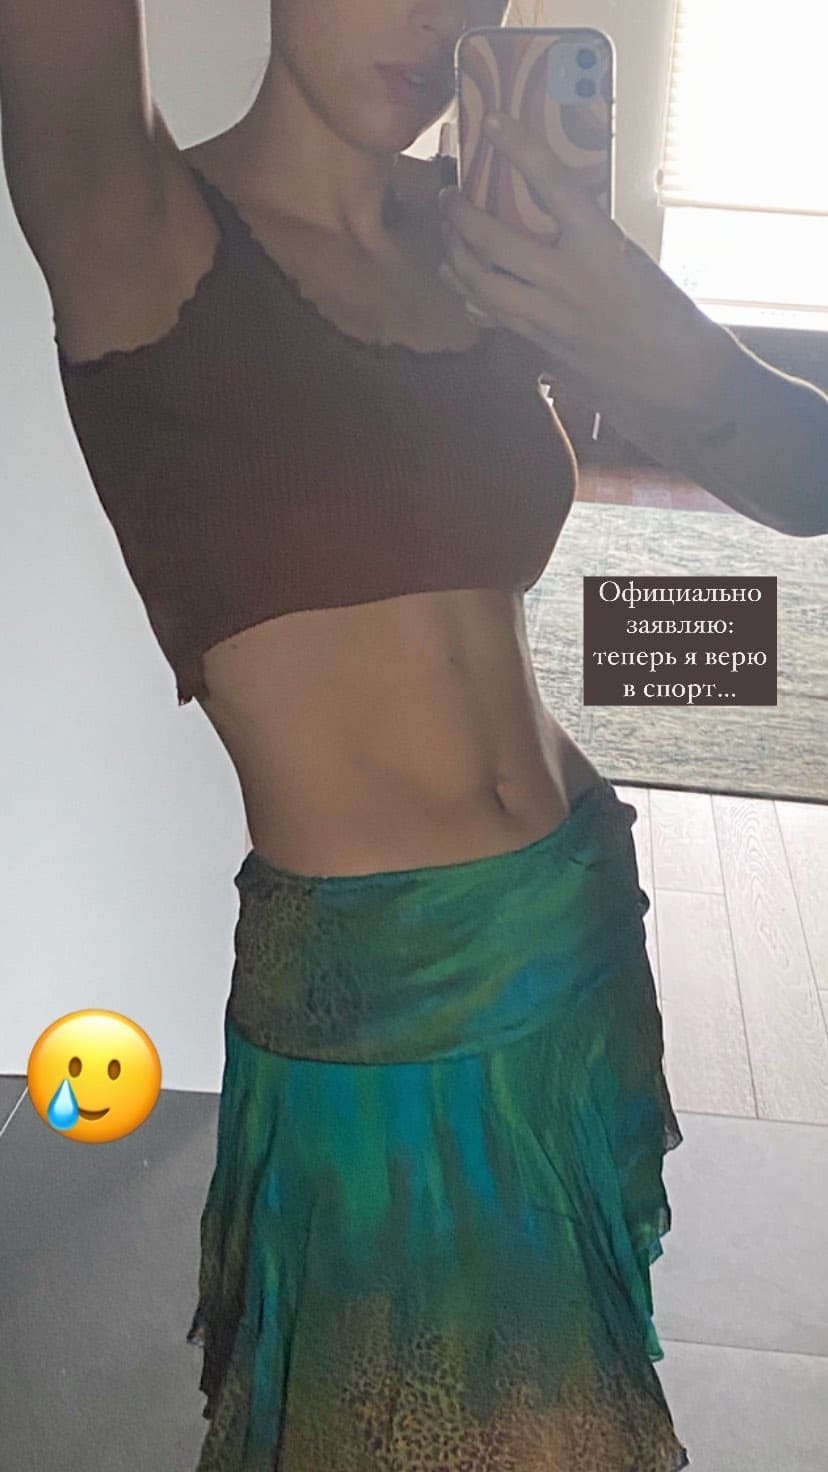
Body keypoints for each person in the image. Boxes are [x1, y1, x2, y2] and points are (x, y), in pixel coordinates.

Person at [4, 0, 824, 1466]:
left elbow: (804, 482)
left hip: (577, 922)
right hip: (377, 1001)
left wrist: (654, 336)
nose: (434, 15)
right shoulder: (133, 228)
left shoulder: (483, 237)